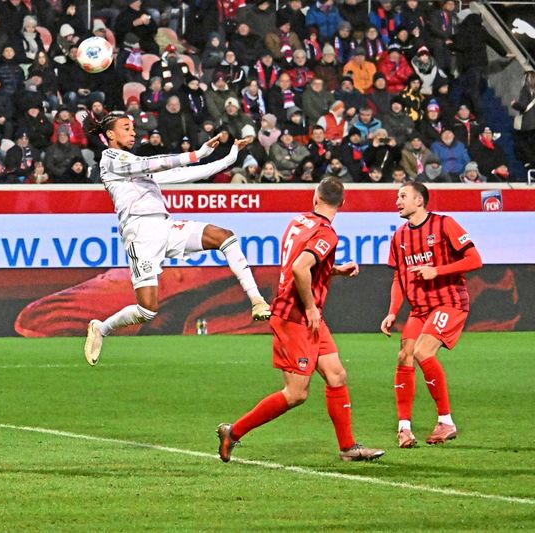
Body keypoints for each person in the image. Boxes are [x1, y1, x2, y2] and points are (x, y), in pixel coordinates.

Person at [82, 111, 272, 366]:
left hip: (164, 226)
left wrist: (230, 157)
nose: (133, 132)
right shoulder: (111, 160)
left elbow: (183, 174)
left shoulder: (134, 165)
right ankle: (101, 328)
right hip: (140, 235)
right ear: (110, 135)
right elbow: (154, 164)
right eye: (126, 128)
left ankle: (257, 301)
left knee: (224, 236)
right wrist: (197, 154)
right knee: (148, 309)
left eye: (133, 128)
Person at [217, 177, 385, 463]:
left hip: (305, 316)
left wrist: (336, 270)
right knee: (296, 393)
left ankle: (347, 448)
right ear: (342, 204)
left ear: (315, 198)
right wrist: (310, 308)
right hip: (296, 316)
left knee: (336, 375)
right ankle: (233, 433)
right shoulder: (327, 234)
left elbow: (303, 266)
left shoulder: (297, 222)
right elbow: (299, 268)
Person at [381, 182, 483, 448]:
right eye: (396, 197)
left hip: (449, 302)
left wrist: (437, 270)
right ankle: (404, 428)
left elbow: (475, 259)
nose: (397, 201)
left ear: (419, 200)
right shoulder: (400, 236)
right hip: (420, 308)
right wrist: (392, 312)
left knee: (423, 351)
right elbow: (398, 277)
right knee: (404, 355)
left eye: (402, 196)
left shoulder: (444, 224)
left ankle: (446, 422)